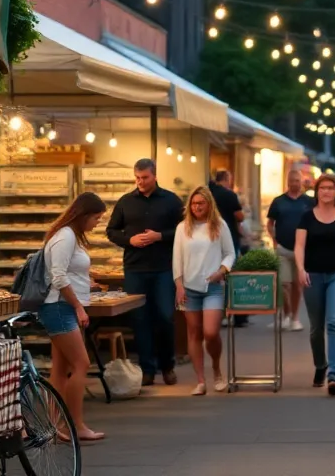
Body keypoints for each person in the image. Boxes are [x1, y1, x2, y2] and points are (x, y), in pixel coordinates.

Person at [106, 158, 184, 387]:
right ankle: (146, 369)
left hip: (163, 268)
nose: (140, 182)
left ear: (155, 176)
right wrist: (128, 239)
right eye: (137, 178)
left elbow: (184, 229)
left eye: (145, 178)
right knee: (140, 320)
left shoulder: (171, 201)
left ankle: (167, 366)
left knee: (165, 317)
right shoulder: (125, 201)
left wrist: (160, 236)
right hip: (134, 268)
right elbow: (111, 231)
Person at [40, 192, 107, 442]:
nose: (97, 223)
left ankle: (54, 424)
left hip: (61, 305)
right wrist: (79, 306)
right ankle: (76, 424)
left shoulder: (70, 235)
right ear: (85, 215)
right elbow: (58, 277)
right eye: (97, 218)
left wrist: (84, 282)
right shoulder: (66, 236)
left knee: (60, 369)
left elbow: (67, 271)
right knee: (82, 364)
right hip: (59, 307)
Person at [295, 173, 335, 396]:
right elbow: (299, 245)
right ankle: (320, 365)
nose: (327, 192)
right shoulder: (307, 217)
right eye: (323, 188)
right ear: (317, 191)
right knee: (316, 327)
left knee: (333, 323)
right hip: (313, 274)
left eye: (331, 188)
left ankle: (334, 375)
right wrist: (300, 269)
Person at [173, 186, 235, 396]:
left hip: (213, 287)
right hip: (189, 288)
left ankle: (217, 368)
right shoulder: (183, 228)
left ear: (209, 204)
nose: (197, 207)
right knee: (194, 333)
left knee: (211, 332)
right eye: (193, 203)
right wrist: (179, 285)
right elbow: (177, 259)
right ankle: (200, 380)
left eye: (201, 203)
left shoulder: (219, 225)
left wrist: (221, 271)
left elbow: (230, 253)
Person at [267, 170, 314, 332]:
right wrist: (274, 241)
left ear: (301, 182)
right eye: (292, 181)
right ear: (287, 182)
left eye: (297, 181)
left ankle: (294, 318)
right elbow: (270, 223)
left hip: (303, 250)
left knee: (297, 286)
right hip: (283, 249)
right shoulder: (278, 201)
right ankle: (286, 314)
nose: (294, 183)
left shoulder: (308, 201)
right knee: (283, 284)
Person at [209, 170, 248, 327]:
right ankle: (235, 315)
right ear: (226, 179)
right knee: (232, 277)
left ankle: (215, 314)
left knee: (214, 277)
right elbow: (240, 216)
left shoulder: (208, 193)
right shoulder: (229, 195)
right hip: (229, 241)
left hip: (211, 241)